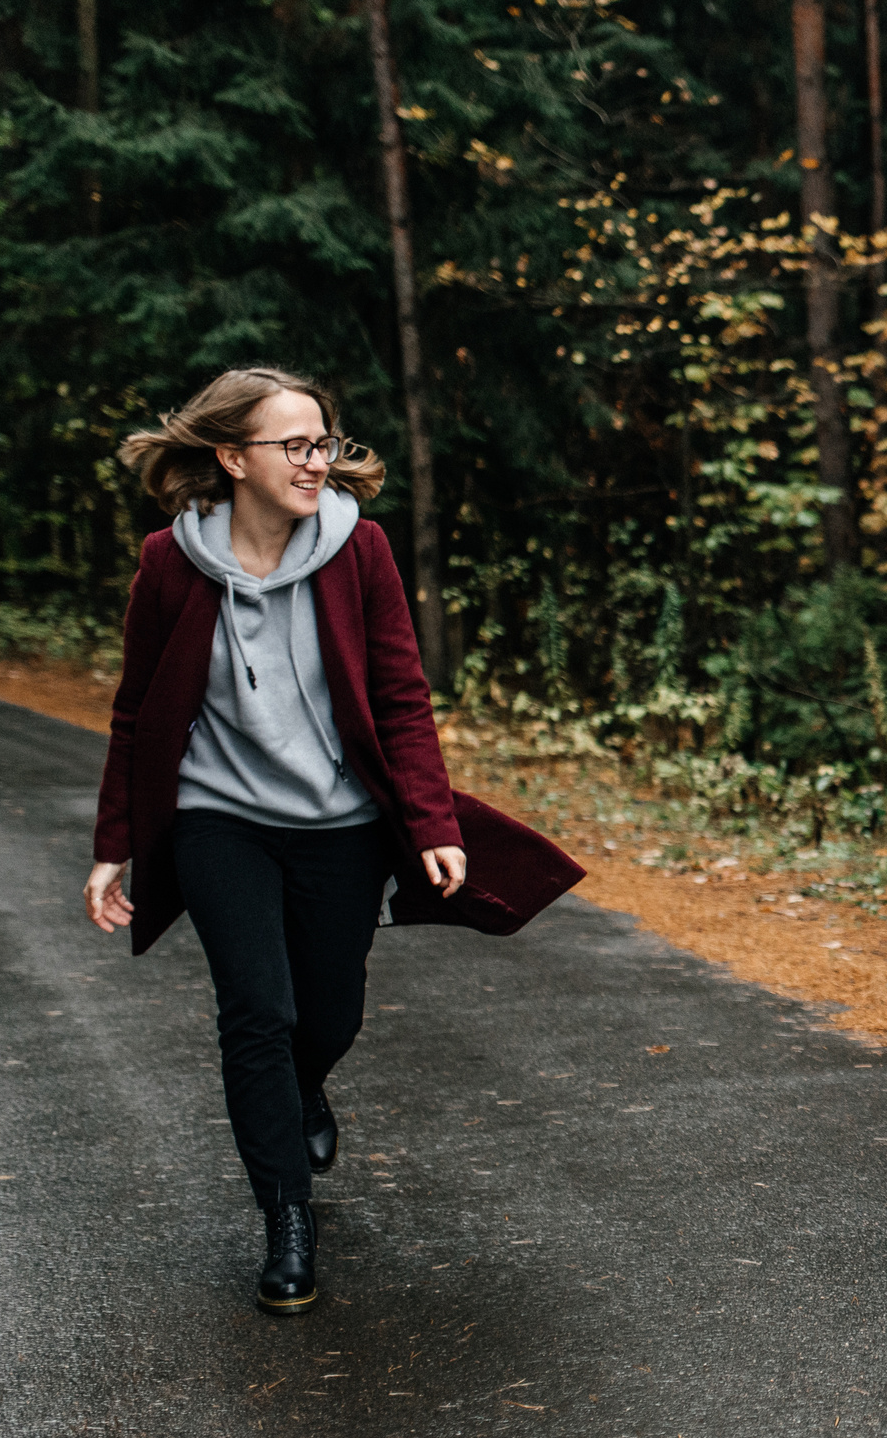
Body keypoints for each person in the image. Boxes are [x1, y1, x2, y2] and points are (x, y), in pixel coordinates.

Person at [85, 366, 579, 1315]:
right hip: (216, 818)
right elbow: (137, 713)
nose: (319, 462)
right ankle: (287, 1217)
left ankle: (305, 1085)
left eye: (325, 443)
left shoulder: (362, 552)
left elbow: (401, 697)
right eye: (295, 446)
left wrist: (431, 823)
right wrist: (116, 842)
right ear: (232, 457)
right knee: (256, 1013)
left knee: (330, 1013)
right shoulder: (169, 563)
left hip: (341, 824)